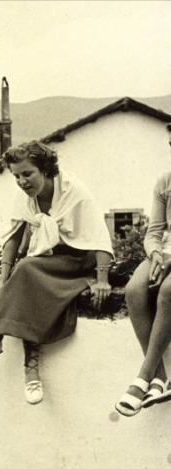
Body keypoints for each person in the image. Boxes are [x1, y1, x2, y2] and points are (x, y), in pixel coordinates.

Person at [0, 141, 114, 404]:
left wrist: (102, 280)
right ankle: (31, 374)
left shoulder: (74, 191)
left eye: (27, 174)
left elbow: (99, 237)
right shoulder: (26, 196)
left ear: (45, 169)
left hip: (79, 261)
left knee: (28, 269)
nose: (21, 181)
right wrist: (2, 280)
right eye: (16, 176)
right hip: (47, 260)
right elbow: (12, 238)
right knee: (28, 285)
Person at [116, 123, 171, 415]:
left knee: (168, 290)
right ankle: (160, 378)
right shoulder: (165, 182)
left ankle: (143, 377)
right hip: (164, 253)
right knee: (135, 289)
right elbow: (155, 231)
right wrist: (156, 254)